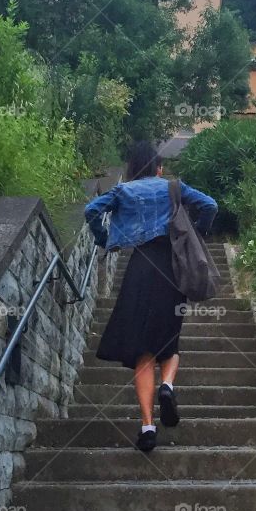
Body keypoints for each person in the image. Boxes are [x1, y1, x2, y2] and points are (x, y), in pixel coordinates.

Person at [84, 142, 218, 451]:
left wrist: (104, 237)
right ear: (159, 168)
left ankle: (147, 426)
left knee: (143, 351)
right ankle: (168, 387)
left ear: (132, 169)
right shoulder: (172, 186)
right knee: (169, 340)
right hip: (171, 268)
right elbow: (209, 204)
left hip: (139, 269)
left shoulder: (124, 191)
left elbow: (91, 210)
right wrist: (198, 231)